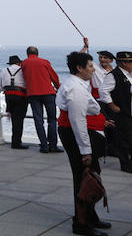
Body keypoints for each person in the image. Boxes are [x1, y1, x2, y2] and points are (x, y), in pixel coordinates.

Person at [57, 51, 112, 236]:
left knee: (91, 176)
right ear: (79, 68)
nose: (93, 69)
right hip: (75, 135)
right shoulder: (75, 88)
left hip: (78, 131)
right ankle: (81, 224)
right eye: (90, 66)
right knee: (83, 179)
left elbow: (88, 109)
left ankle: (91, 216)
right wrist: (85, 150)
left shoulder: (77, 83)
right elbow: (77, 121)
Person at [23, 46, 63, 153]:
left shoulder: (24, 63)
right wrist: (58, 86)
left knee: (38, 120)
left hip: (33, 93)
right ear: (37, 53)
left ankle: (44, 146)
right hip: (48, 93)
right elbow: (54, 77)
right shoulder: (44, 62)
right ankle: (53, 145)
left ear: (27, 54)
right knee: (52, 119)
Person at [98, 50, 132, 172]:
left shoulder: (129, 74)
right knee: (124, 139)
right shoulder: (114, 75)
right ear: (123, 63)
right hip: (122, 112)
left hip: (130, 110)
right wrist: (112, 105)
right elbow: (103, 91)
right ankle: (126, 165)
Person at [1, 54, 28, 149]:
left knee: (14, 120)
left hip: (8, 96)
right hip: (20, 96)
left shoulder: (4, 70)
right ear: (18, 63)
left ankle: (15, 140)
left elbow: (2, 84)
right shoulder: (22, 70)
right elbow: (26, 83)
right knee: (19, 120)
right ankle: (16, 143)